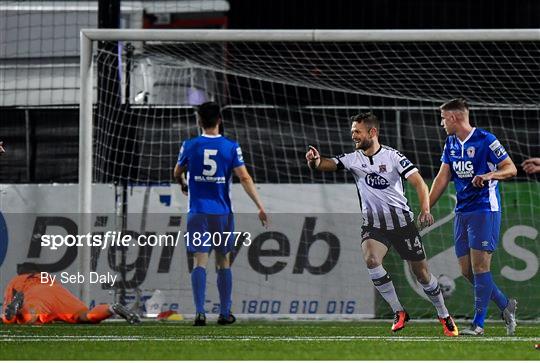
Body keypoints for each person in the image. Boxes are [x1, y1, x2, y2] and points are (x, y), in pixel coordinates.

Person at [305, 112, 458, 336]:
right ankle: (399, 312)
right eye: (352, 132)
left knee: (422, 274)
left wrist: (425, 209)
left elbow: (419, 183)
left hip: (402, 224)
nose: (353, 136)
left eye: (357, 131)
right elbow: (329, 164)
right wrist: (315, 161)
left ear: (372, 132)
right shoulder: (353, 159)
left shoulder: (394, 157)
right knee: (371, 259)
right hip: (374, 226)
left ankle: (444, 315)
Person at [429, 98, 518, 336]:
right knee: (467, 271)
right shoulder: (450, 143)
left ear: (454, 118)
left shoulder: (486, 140)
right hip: (462, 212)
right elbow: (441, 177)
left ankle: (478, 324)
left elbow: (511, 168)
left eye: (443, 118)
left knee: (480, 267)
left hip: (485, 210)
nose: (441, 123)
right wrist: (426, 207)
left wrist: (490, 175)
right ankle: (505, 305)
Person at [174, 101, 268, 326]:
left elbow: (177, 171)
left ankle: (199, 312)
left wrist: (183, 183)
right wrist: (259, 205)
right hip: (222, 213)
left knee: (199, 261)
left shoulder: (189, 145)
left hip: (197, 212)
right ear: (219, 120)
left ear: (199, 121)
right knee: (223, 262)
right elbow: (244, 177)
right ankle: (225, 313)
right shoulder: (230, 146)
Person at [2, 264, 139, 324]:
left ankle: (21, 309)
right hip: (58, 292)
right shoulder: (45, 276)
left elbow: (7, 314)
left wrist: (9, 316)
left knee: (26, 318)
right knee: (85, 317)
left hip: (36, 294)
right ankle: (111, 308)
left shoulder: (17, 280)